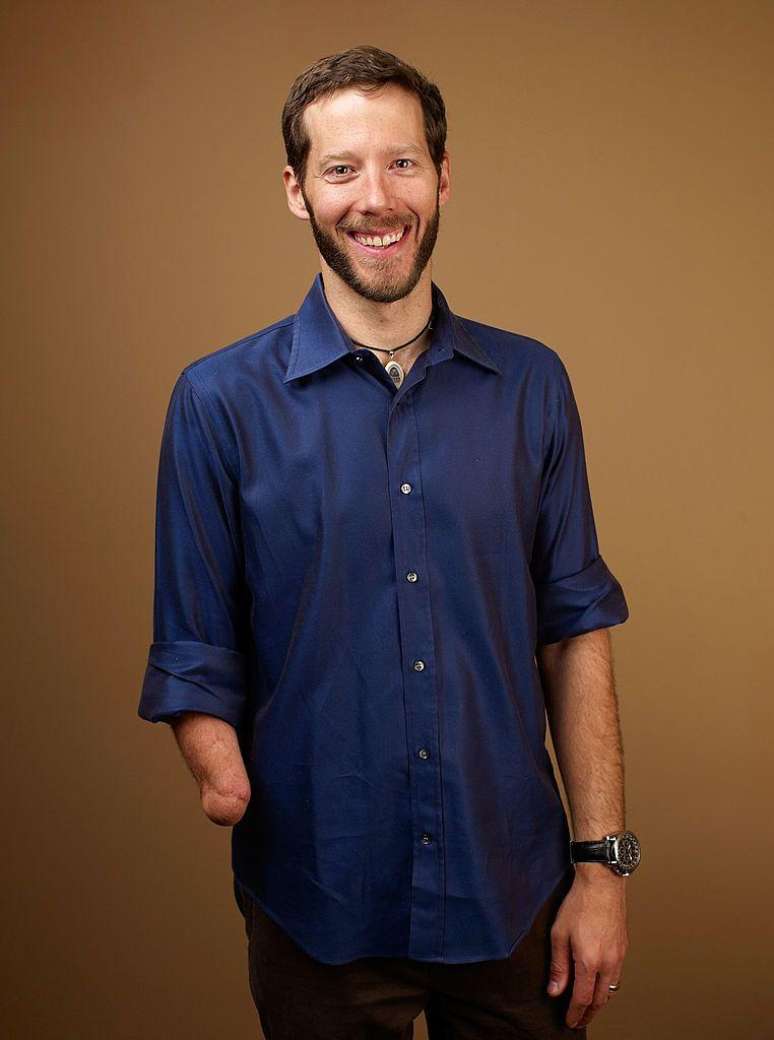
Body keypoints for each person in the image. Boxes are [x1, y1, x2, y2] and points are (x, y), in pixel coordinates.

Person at [137, 43, 640, 1039]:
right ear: (296, 191)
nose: (377, 195)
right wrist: (214, 757)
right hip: (315, 900)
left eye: (402, 162)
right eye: (342, 168)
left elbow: (572, 629)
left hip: (517, 897)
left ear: (443, 177)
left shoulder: (532, 386)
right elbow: (193, 649)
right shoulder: (217, 402)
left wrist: (603, 865)